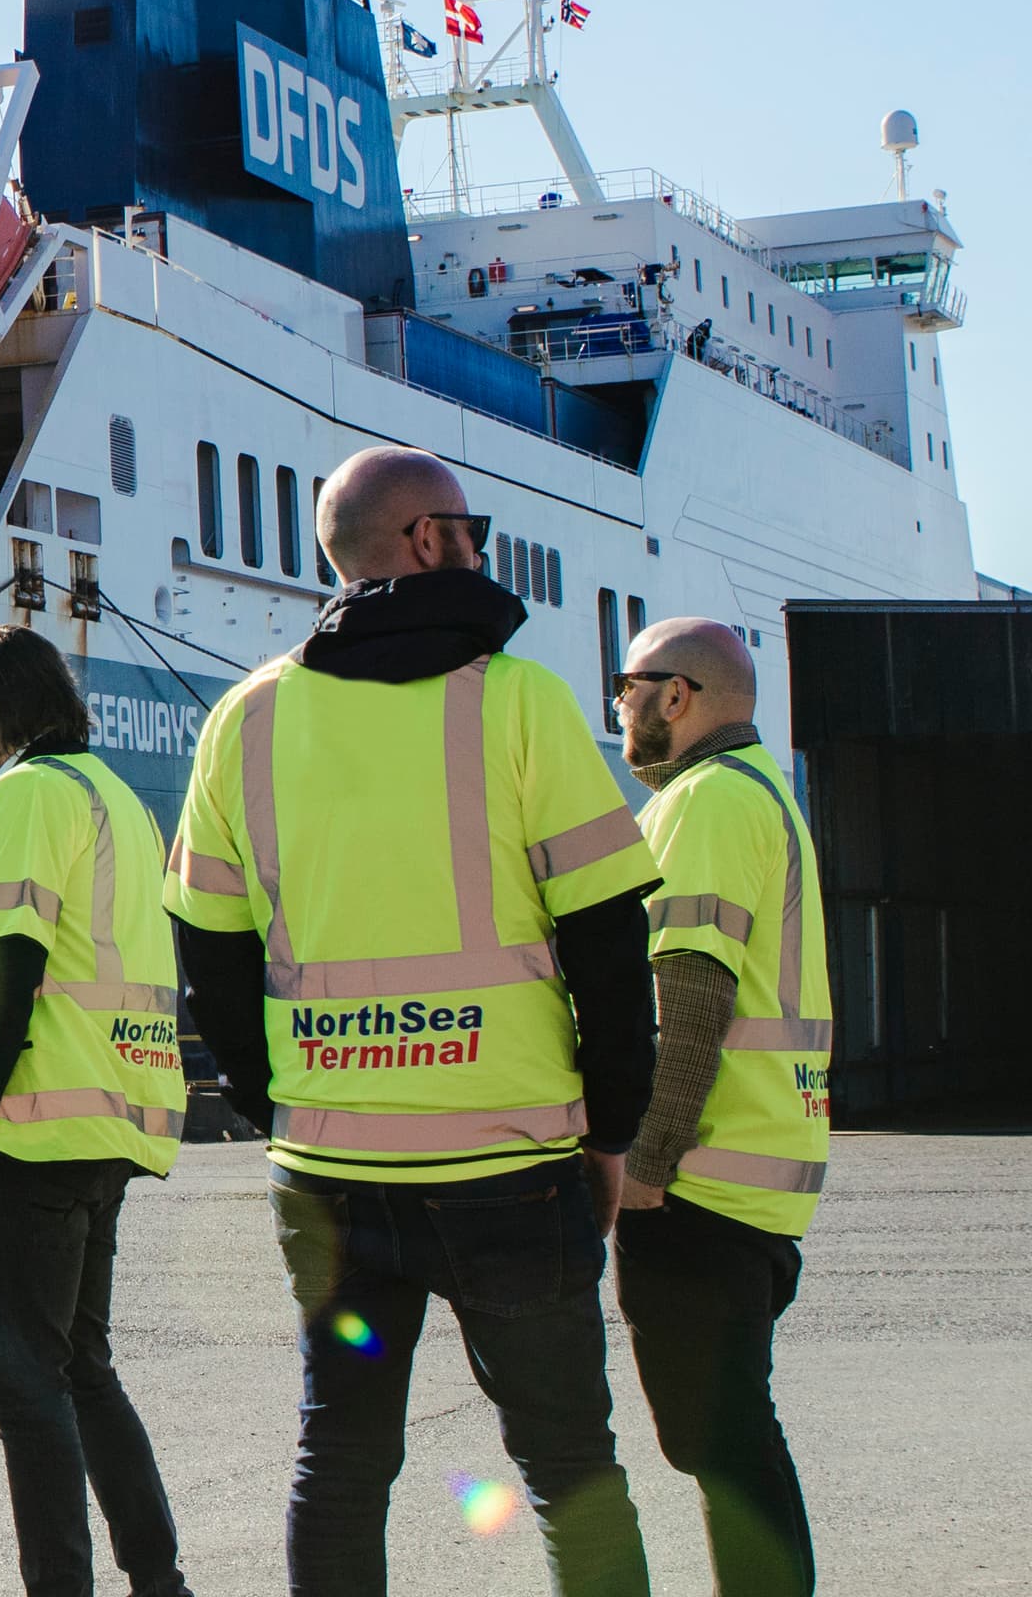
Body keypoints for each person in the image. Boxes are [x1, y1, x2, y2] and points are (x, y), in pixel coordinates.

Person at [164, 444, 661, 1597]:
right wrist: (611, 1127)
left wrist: (277, 1101)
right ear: (431, 540)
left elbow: (213, 955)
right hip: (513, 1163)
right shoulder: (520, 700)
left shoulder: (244, 720)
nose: (478, 549)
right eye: (470, 528)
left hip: (333, 1168)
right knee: (568, 1461)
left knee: (339, 1459)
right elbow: (606, 943)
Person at [0, 625, 193, 1597]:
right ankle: (157, 1578)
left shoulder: (23, 796)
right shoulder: (113, 796)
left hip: (25, 1135)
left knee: (26, 1391)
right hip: (104, 1123)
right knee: (83, 1368)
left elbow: (7, 969)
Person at [610, 618, 829, 1597]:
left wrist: (648, 1164)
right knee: (725, 1433)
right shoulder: (760, 797)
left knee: (722, 1440)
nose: (619, 704)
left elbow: (690, 1000)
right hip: (755, 1177)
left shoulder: (703, 803)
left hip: (700, 1182)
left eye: (629, 685)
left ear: (678, 695)